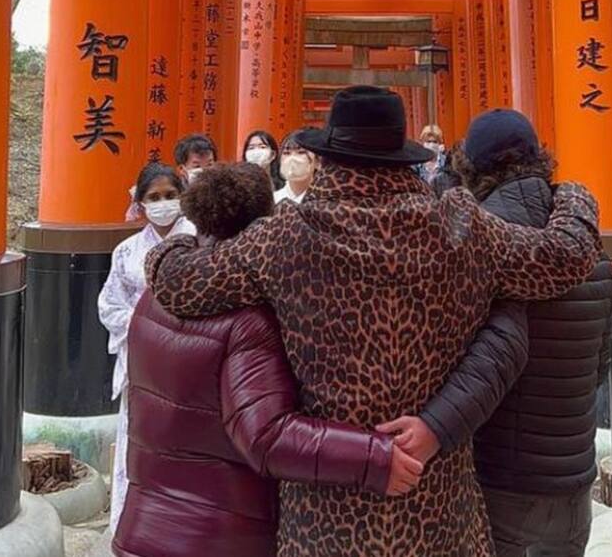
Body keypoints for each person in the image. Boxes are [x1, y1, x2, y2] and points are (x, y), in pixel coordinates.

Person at [146, 86, 602, 557]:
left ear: (328, 158)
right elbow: (566, 258)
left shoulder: (285, 236)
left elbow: (177, 284)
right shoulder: (461, 226)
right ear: (401, 156)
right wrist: (573, 195)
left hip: (326, 514)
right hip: (437, 508)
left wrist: (177, 240)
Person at [114, 162, 421, 557]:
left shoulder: (156, 294)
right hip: (219, 536)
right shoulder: (245, 320)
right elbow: (266, 434)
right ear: (266, 228)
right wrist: (374, 457)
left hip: (143, 524)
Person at [411, 109, 612, 557]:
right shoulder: (592, 253)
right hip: (571, 478)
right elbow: (600, 366)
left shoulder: (471, 245)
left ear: (472, 168)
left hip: (499, 476)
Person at [99, 163, 196, 533]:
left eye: (170, 196)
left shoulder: (201, 241)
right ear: (139, 204)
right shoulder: (126, 251)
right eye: (154, 198)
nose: (163, 204)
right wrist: (146, 329)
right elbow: (109, 304)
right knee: (139, 441)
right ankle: (135, 525)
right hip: (143, 359)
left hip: (191, 359)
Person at [123, 134, 218, 221]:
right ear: (182, 169)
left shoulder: (224, 191)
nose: (205, 171)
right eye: (197, 166)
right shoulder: (171, 190)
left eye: (210, 165)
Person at [415, 125, 461, 197]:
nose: (431, 145)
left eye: (435, 142)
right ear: (423, 143)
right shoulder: (417, 164)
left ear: (440, 143)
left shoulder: (446, 162)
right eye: (428, 141)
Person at [275, 130, 318, 204]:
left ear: (318, 162)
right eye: (286, 153)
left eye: (301, 152)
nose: (292, 158)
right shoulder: (273, 200)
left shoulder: (323, 201)